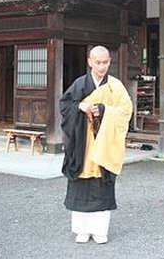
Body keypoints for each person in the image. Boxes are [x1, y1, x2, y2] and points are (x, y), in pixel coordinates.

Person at [60, 45, 133, 244]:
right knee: (80, 186)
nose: (102, 67)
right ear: (90, 62)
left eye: (105, 62)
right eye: (98, 62)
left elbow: (126, 110)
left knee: (102, 185)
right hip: (82, 145)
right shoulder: (80, 83)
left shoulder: (115, 86)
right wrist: (80, 106)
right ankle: (82, 230)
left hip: (105, 145)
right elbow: (65, 106)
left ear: (110, 61)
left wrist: (104, 110)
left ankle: (100, 231)